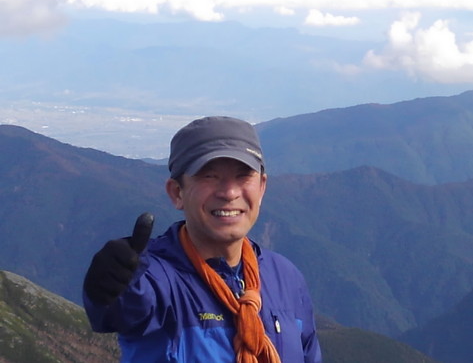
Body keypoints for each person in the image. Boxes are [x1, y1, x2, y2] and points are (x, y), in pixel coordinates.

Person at [83, 116, 322, 362]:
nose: (229, 192)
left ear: (261, 187)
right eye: (209, 176)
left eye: (243, 175)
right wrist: (108, 283)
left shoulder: (285, 277)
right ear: (177, 193)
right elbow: (120, 308)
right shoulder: (158, 277)